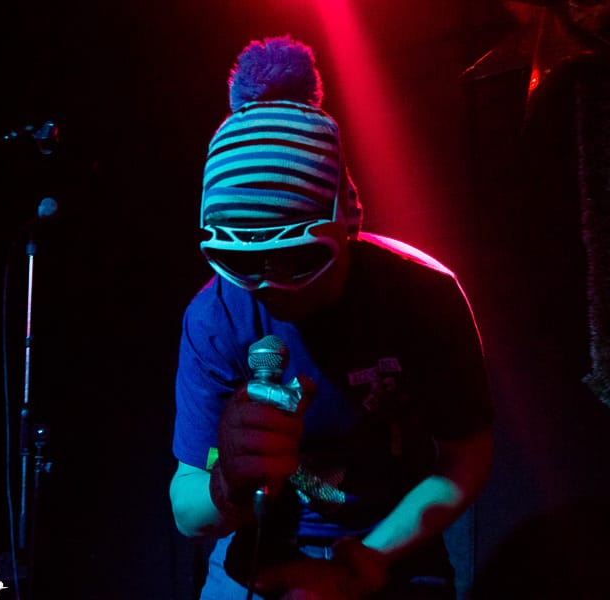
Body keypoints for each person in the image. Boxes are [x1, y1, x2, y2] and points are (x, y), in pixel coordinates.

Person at [169, 35, 494, 600]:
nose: (267, 284)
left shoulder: (423, 295)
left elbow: (465, 457)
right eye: (240, 263)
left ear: (348, 215)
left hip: (391, 548)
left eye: (297, 259)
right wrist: (226, 483)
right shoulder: (215, 314)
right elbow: (187, 503)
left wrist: (363, 562)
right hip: (258, 548)